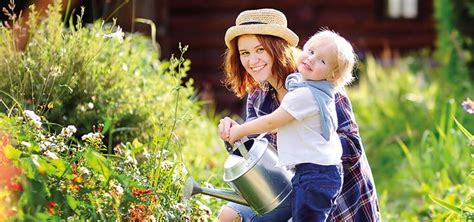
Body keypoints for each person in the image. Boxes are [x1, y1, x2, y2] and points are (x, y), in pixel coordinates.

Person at [218, 8, 380, 222]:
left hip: (337, 198)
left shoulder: (318, 81)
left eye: (260, 49)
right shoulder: (258, 95)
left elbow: (353, 148)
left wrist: (295, 129)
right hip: (288, 189)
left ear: (277, 48)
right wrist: (238, 135)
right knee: (229, 215)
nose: (252, 60)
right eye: (245, 53)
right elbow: (261, 155)